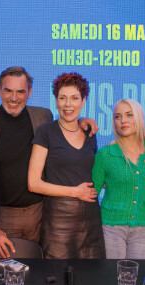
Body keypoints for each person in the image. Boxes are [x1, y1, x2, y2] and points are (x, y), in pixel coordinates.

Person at [0, 67, 99, 258]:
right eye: (8, 91)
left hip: (41, 215)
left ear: (30, 93)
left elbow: (66, 122)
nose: (14, 98)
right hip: (3, 217)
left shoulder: (43, 116)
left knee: (42, 277)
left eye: (21, 92)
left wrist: (83, 120)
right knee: (6, 278)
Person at [28, 72, 105, 259]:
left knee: (92, 279)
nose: (68, 104)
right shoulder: (46, 132)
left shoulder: (90, 133)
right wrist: (74, 192)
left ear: (84, 101)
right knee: (57, 280)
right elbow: (33, 183)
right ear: (56, 101)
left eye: (74, 98)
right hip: (58, 222)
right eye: (62, 98)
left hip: (91, 219)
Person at [92, 99, 145, 259]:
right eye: (117, 116)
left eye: (129, 115)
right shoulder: (105, 154)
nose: (123, 121)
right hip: (111, 229)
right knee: (111, 279)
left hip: (144, 228)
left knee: (140, 278)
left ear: (139, 118)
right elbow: (91, 193)